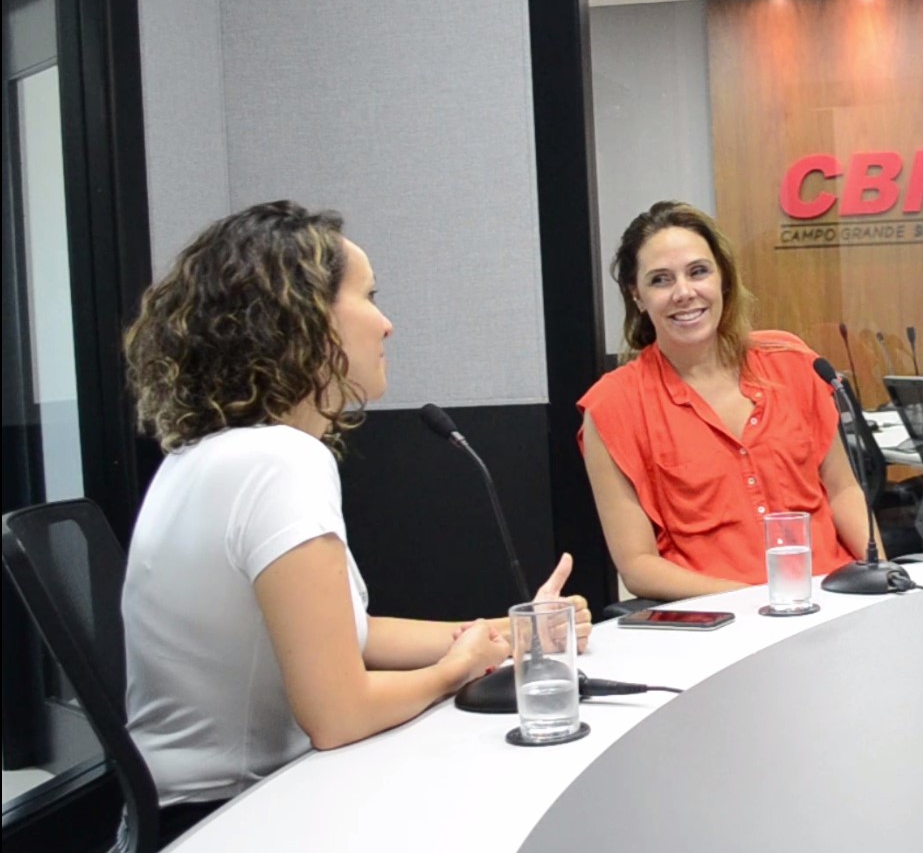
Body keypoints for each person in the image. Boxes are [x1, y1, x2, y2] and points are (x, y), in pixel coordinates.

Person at [121, 202, 591, 841]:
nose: (387, 324)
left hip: (181, 815)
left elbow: (349, 634)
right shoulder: (280, 460)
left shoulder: (207, 456)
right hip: (230, 819)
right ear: (305, 318)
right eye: (369, 297)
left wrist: (504, 636)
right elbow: (338, 714)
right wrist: (456, 671)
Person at [579, 201, 873, 602]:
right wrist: (759, 604)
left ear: (723, 278)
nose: (684, 293)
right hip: (723, 624)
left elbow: (842, 492)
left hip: (832, 603)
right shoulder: (612, 407)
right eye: (661, 280)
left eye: (698, 272)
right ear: (637, 296)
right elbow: (637, 565)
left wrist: (882, 582)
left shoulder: (793, 362)